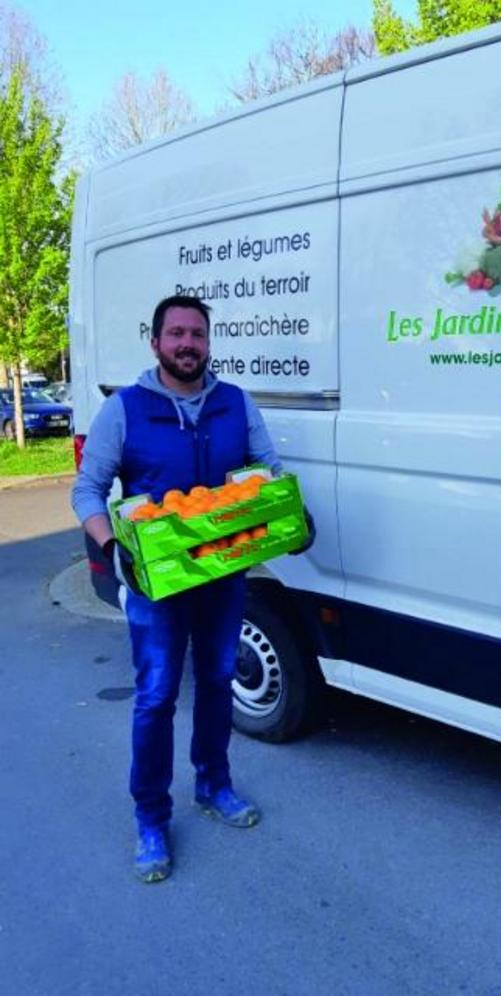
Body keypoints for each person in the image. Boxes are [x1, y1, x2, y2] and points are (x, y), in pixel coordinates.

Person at [72, 294, 300, 884]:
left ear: (208, 342)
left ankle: (213, 784)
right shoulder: (125, 409)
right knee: (155, 698)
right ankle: (150, 816)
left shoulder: (235, 403)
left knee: (220, 680)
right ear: (155, 342)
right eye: (176, 334)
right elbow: (88, 490)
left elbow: (267, 469)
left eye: (197, 334)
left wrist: (287, 516)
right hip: (157, 584)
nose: (187, 344)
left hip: (224, 575)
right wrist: (110, 546)